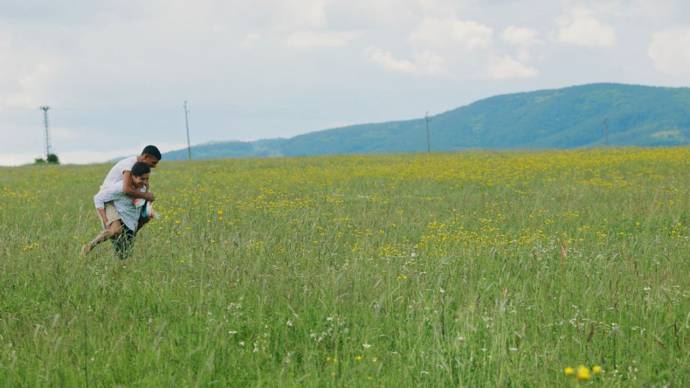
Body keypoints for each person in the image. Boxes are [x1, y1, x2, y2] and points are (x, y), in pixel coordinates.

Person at [81, 162, 154, 258]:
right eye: (142, 179)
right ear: (133, 176)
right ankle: (89, 246)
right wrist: (105, 220)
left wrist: (148, 210)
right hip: (114, 211)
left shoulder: (143, 188)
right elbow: (98, 198)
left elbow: (141, 204)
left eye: (147, 179)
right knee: (116, 231)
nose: (145, 182)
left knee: (124, 256)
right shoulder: (120, 187)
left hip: (129, 219)